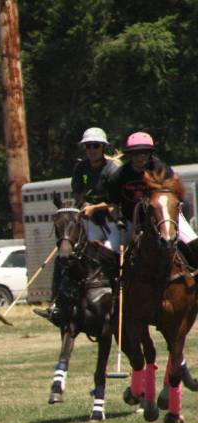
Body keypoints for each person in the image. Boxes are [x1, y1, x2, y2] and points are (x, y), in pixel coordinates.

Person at [35, 126, 121, 324]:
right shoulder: (80, 168)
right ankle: (58, 303)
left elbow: (116, 199)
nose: (92, 149)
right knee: (68, 255)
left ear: (103, 147)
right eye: (88, 146)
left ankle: (120, 298)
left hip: (112, 216)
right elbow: (78, 194)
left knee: (115, 253)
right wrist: (84, 205)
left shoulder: (112, 169)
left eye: (96, 146)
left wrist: (96, 207)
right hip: (88, 218)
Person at [102, 131, 197, 261]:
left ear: (150, 153)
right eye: (136, 153)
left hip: (165, 218)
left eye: (144, 153)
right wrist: (118, 219)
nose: (140, 157)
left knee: (193, 241)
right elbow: (112, 204)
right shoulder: (119, 175)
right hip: (131, 221)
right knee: (107, 250)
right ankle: (113, 281)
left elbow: (174, 197)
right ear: (130, 155)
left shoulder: (161, 169)